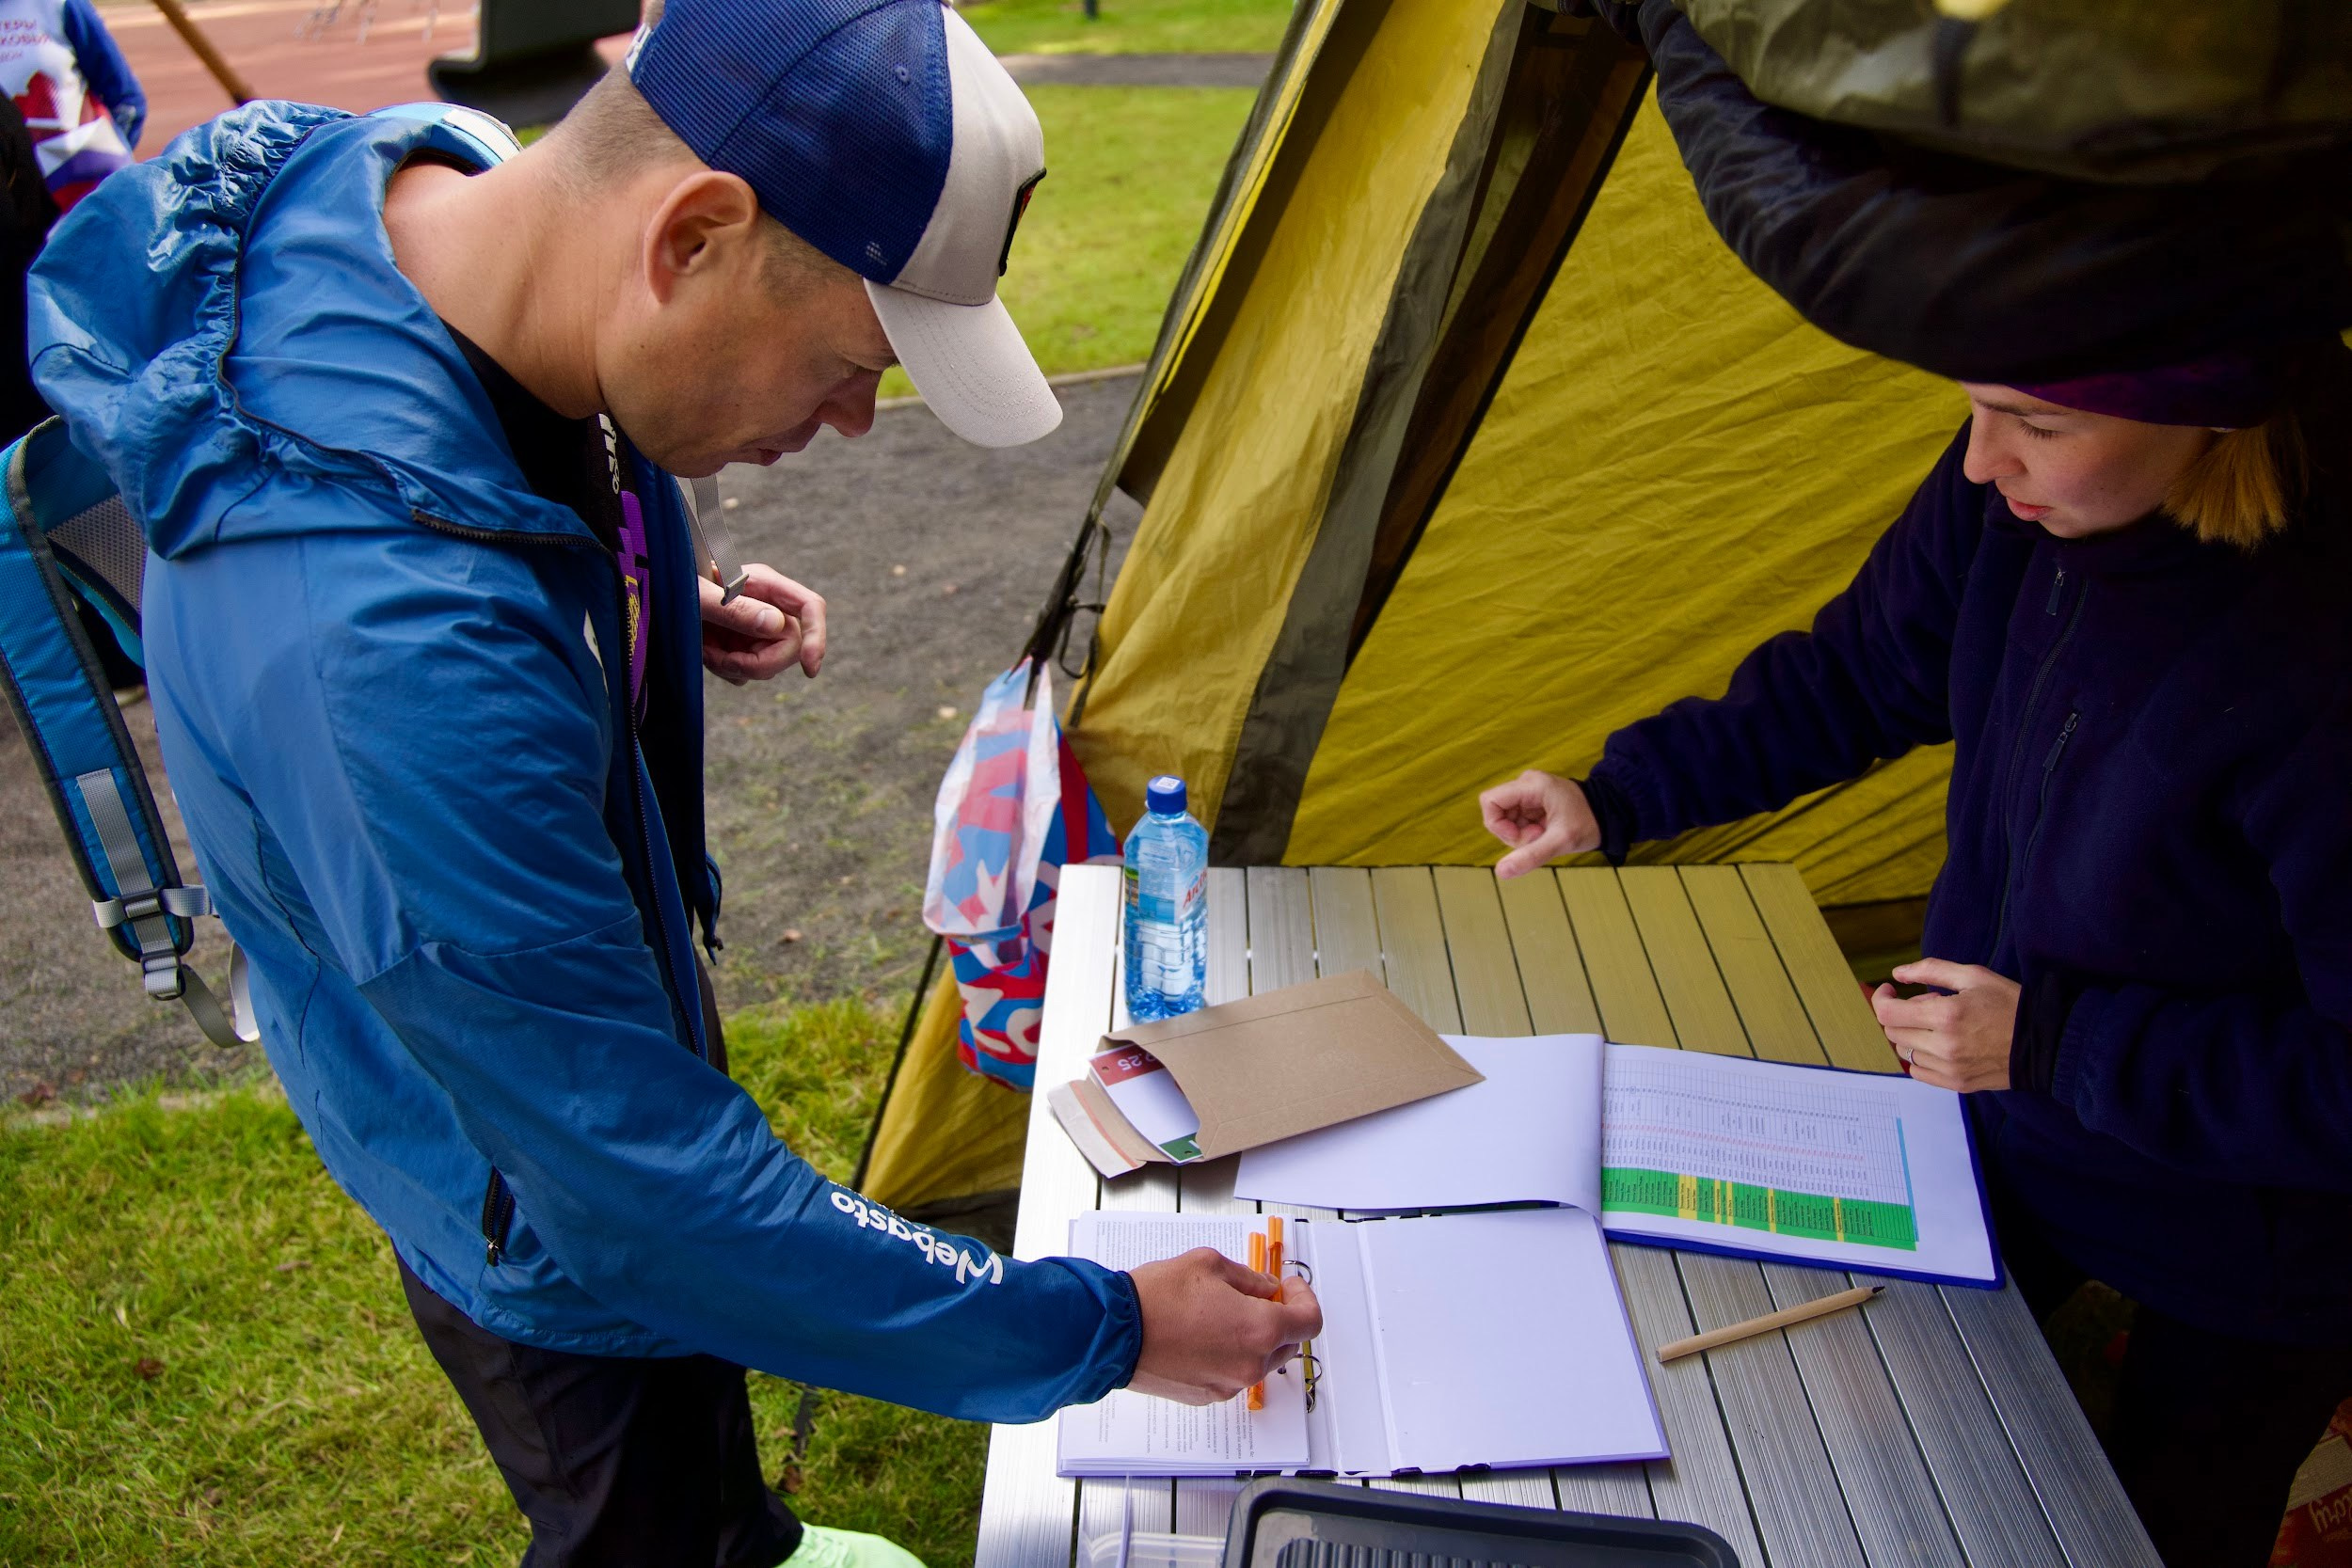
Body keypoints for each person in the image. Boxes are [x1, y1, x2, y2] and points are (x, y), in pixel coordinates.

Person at [25, 2, 1319, 1564]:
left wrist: (634, 596)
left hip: (566, 1089)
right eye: (849, 363)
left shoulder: (446, 204)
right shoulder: (399, 657)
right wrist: (1106, 1327)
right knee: (645, 1496)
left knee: (711, 1441)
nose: (854, 421)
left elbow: (497, 479)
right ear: (693, 235)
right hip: (535, 1213)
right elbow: (640, 1194)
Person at [1479, 342, 2352, 1568]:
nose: (1983, 459)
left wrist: (2058, 1042)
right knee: (1889, 1453)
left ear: (2204, 408)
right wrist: (1622, 793)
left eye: (2034, 422)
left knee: (2158, 1528)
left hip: (2259, 1240)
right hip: (1997, 1120)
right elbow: (1863, 669)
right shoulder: (2020, 493)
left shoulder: (2318, 648)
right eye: (1976, 406)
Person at [0, 0, 142, 212]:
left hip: (90, 200)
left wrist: (100, 165)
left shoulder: (60, 5)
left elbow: (126, 100)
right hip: (17, 207)